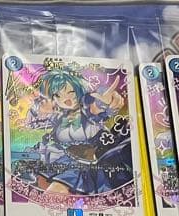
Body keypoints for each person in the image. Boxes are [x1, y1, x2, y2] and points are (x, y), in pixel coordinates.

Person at [26, 66, 131, 197]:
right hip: (63, 160)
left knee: (55, 192)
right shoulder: (59, 117)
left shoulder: (87, 113)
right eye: (58, 95)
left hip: (87, 165)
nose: (66, 99)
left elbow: (96, 108)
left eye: (71, 92)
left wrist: (103, 103)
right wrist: (38, 109)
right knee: (41, 185)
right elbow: (33, 122)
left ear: (79, 90)